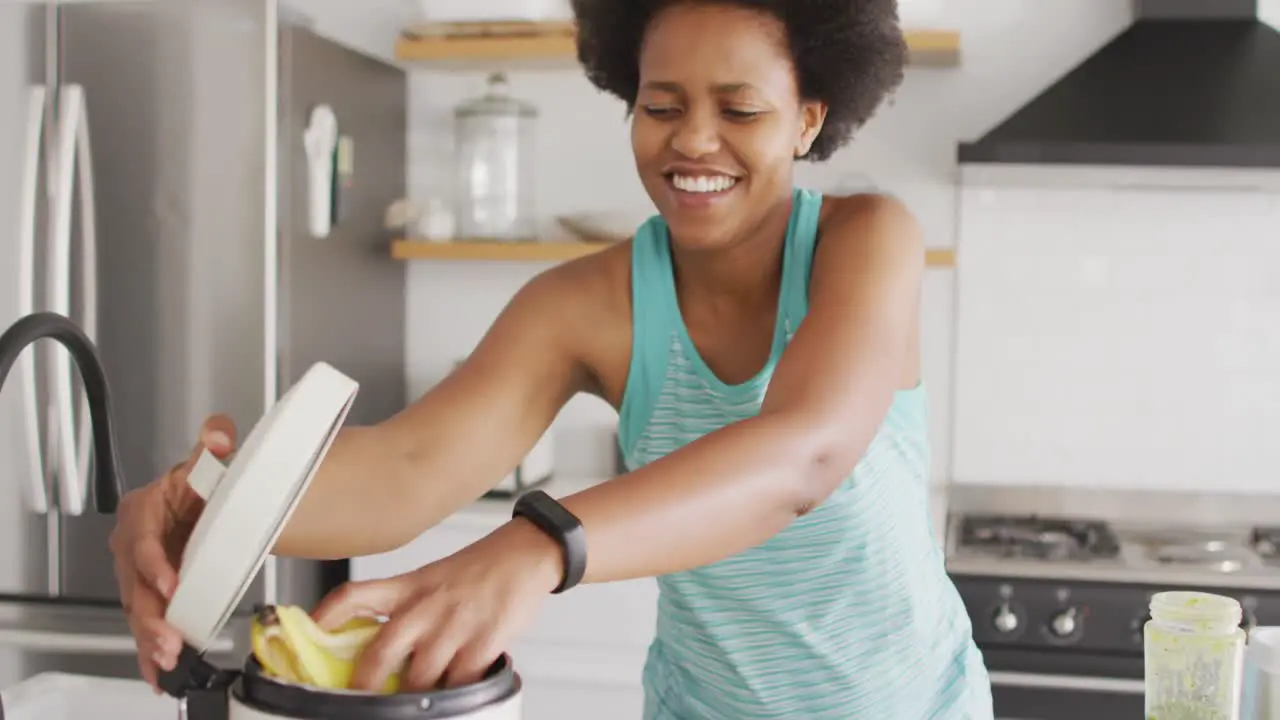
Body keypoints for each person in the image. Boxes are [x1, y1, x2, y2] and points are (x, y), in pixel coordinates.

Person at [110, 0, 994, 717]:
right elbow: (408, 468)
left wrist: (539, 546)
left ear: (807, 120)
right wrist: (205, 507)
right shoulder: (588, 305)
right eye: (660, 105)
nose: (692, 139)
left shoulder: (866, 240)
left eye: (740, 109)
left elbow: (805, 454)